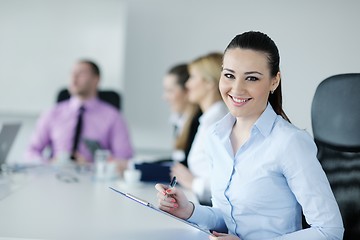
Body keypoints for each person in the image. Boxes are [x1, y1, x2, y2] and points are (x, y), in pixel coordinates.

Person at [156, 31, 344, 239]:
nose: (237, 89)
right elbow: (227, 218)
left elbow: (330, 231)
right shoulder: (216, 137)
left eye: (252, 78)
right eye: (229, 75)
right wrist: (189, 210)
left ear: (274, 81)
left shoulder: (289, 142)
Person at [26, 59, 133, 171]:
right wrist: (48, 163)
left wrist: (92, 165)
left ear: (96, 80)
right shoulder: (52, 113)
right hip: (55, 176)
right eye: (72, 73)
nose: (74, 78)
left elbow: (125, 159)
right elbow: (31, 152)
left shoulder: (113, 117)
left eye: (81, 74)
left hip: (94, 178)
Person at [171, 53, 228, 205]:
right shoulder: (208, 119)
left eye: (192, 77)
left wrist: (193, 183)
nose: (187, 84)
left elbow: (229, 181)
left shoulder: (218, 123)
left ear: (209, 83)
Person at [163, 63, 202, 167]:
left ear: (187, 90)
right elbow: (176, 161)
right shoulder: (179, 120)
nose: (165, 97)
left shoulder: (199, 121)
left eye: (170, 91)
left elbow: (184, 166)